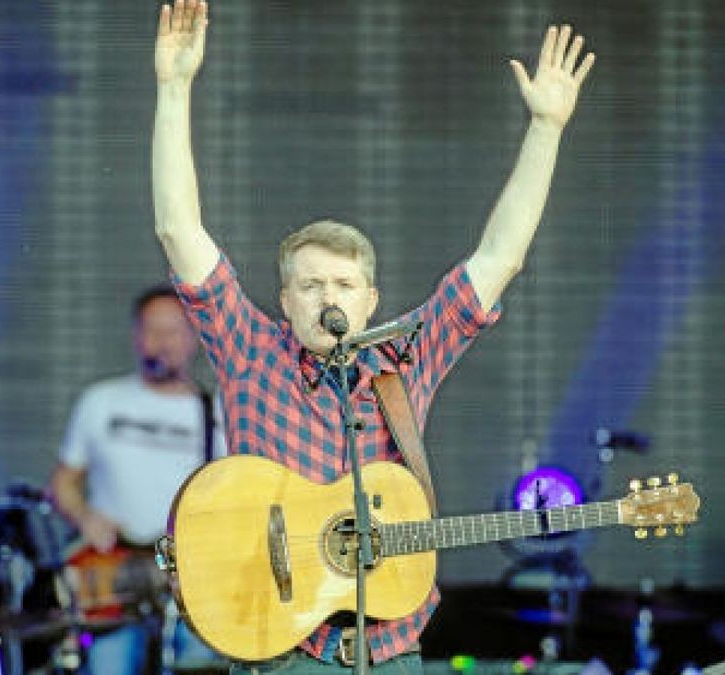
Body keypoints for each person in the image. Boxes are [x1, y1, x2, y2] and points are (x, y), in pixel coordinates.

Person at [151, 0, 595, 671]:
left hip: (389, 650)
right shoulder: (252, 351)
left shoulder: (404, 360)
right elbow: (178, 231)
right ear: (285, 302)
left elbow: (499, 257)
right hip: (282, 645)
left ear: (370, 302)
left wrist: (545, 129)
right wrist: (174, 87)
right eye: (310, 285)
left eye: (342, 285)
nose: (327, 296)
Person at [48, 284, 226, 674]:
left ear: (194, 338)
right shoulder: (102, 401)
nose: (161, 343)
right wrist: (85, 517)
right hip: (115, 572)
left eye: (173, 331)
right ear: (135, 336)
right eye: (151, 330)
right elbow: (63, 482)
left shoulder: (216, 414)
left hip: (187, 576)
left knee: (197, 664)